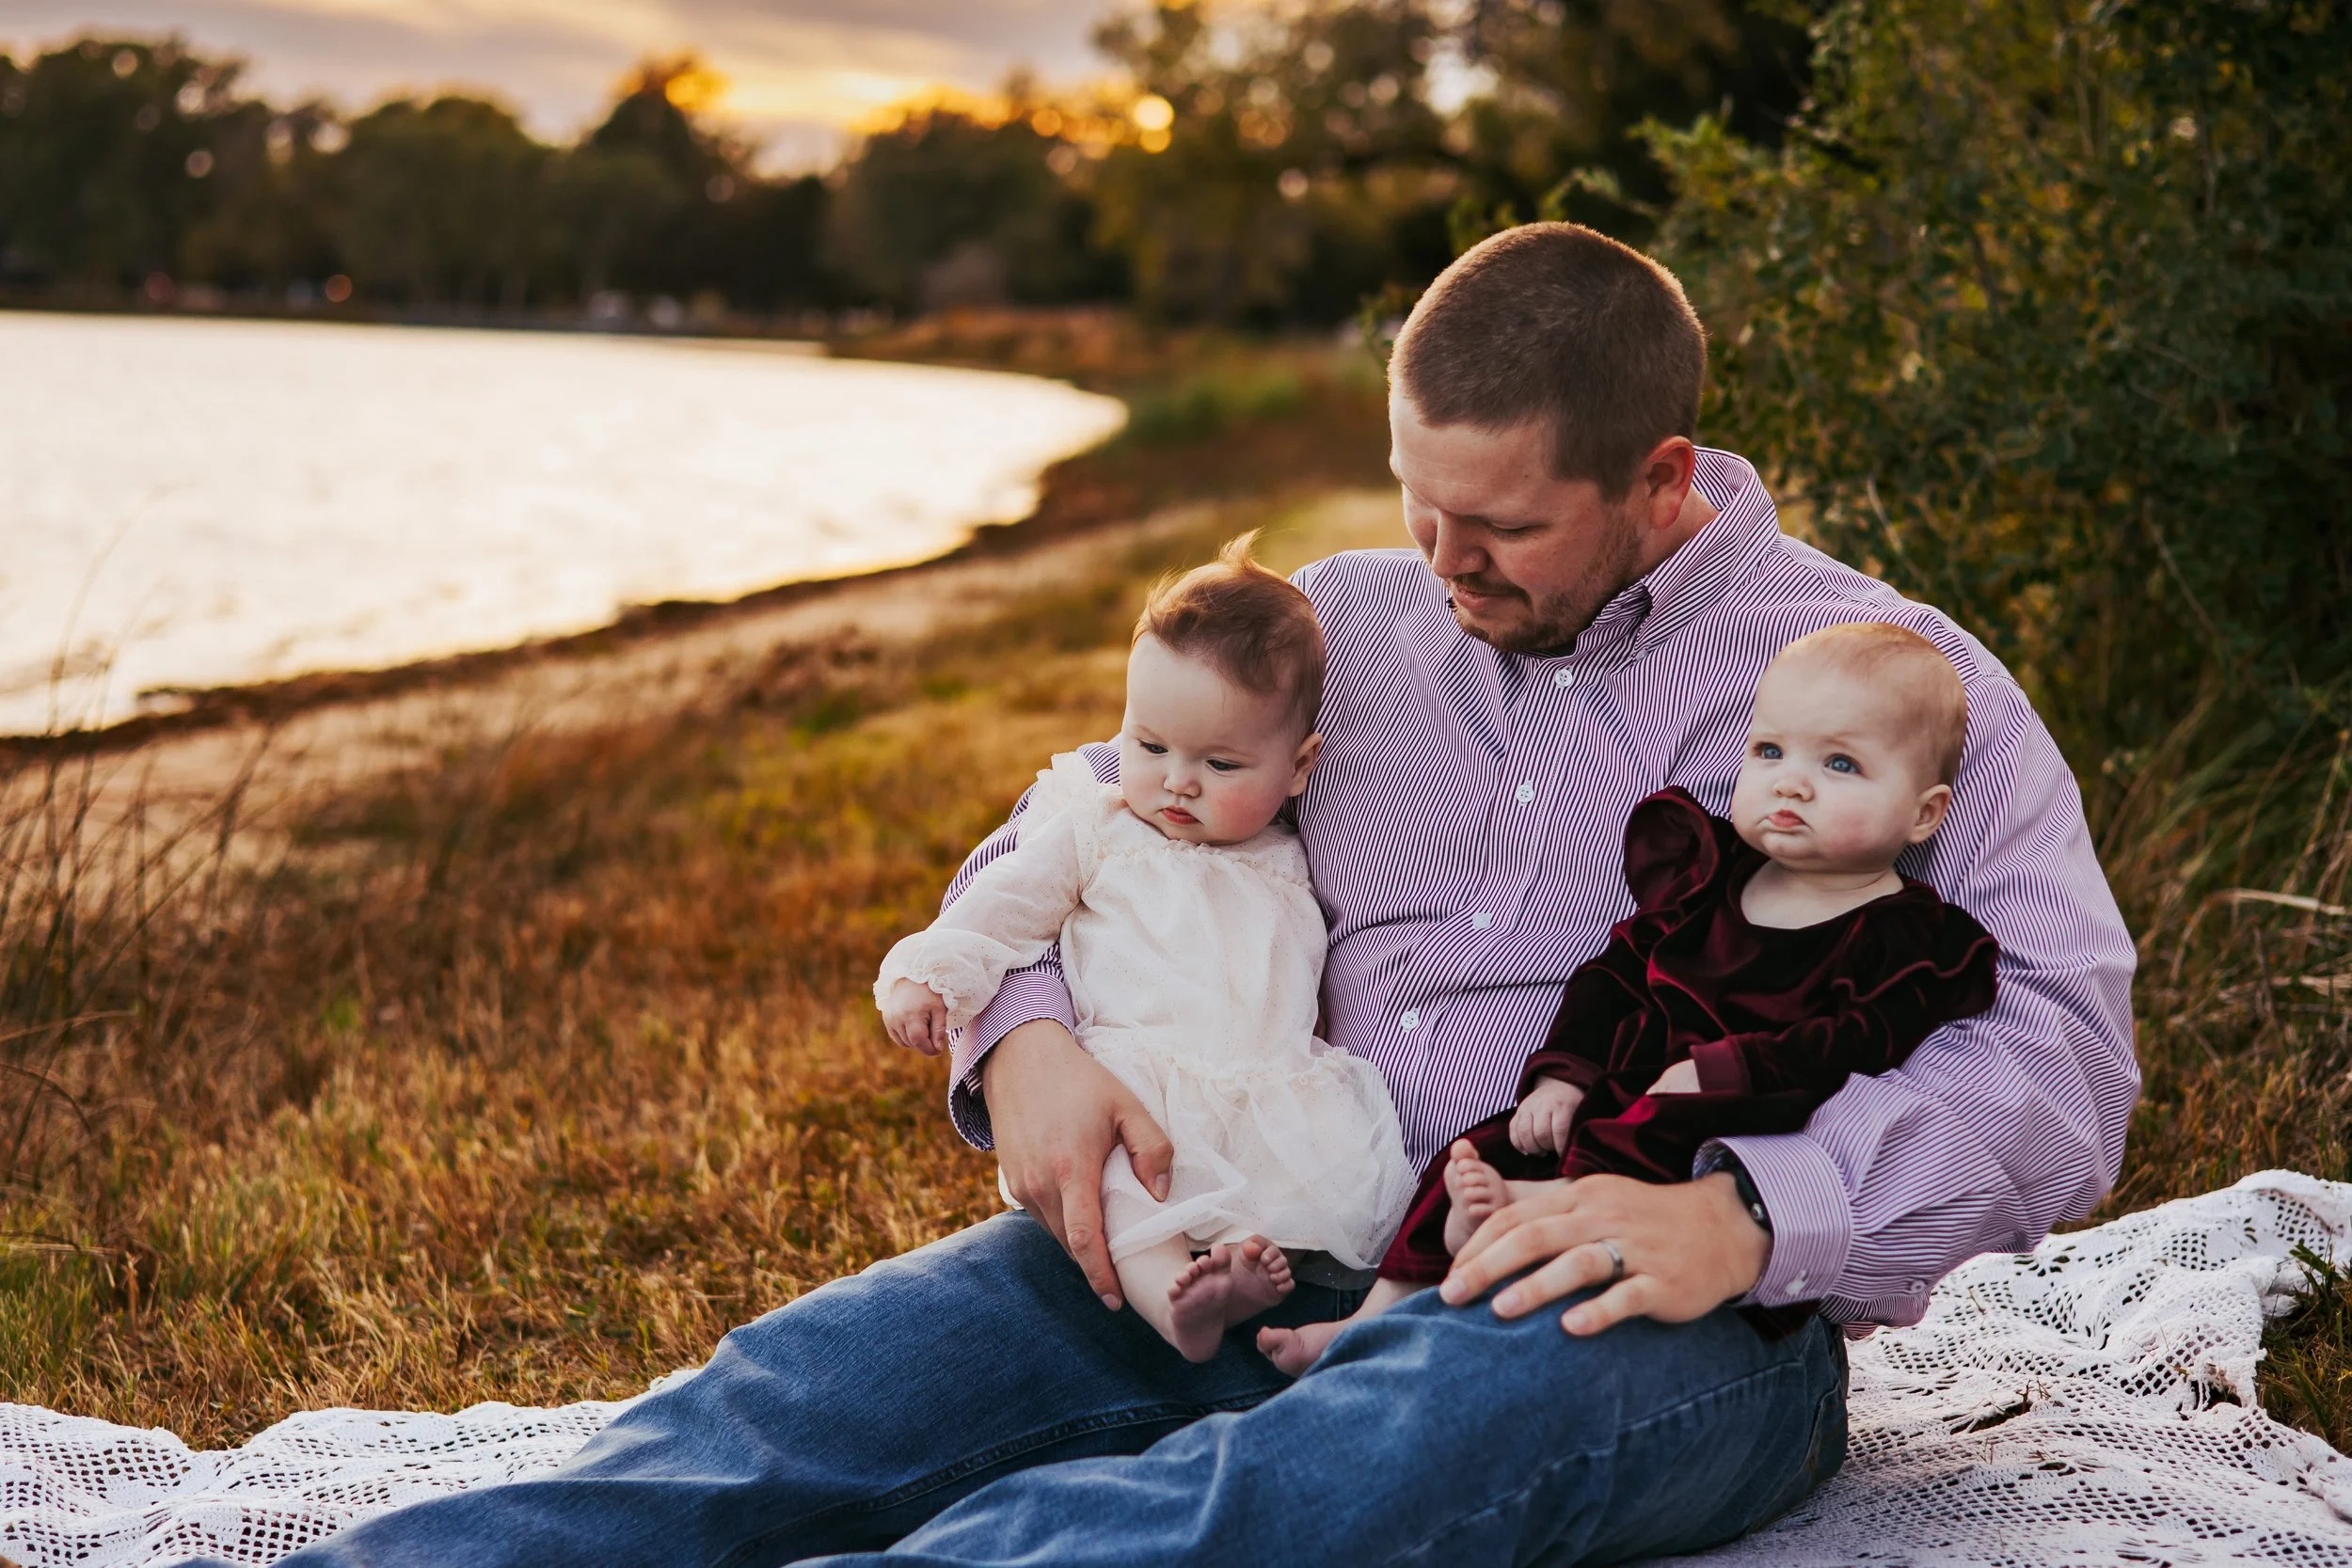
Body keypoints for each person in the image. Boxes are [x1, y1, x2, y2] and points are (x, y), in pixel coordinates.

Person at [194, 222, 2137, 1568]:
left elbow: (2060, 1044)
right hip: (1229, 1219)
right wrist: (1020, 1037)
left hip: (1632, 1296)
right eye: (1409, 496)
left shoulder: (1876, 675)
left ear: (1656, 478)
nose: (1433, 558)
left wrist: (1740, 1211)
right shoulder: (1346, 618)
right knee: (782, 1405)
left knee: (1287, 1491)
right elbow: (1084, 801)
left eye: (1499, 525)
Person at [1258, 622, 2002, 1376]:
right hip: (1618, 1091)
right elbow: (1614, 975)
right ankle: (1374, 1313)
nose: (1792, 782)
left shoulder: (1905, 938)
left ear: (1924, 813)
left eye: (1840, 763)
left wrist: (1732, 1069)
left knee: (1622, 1178)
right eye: (1770, 751)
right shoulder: (1711, 877)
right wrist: (1566, 1073)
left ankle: (1505, 1250)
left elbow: (1858, 1041)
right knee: (1490, 1143)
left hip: (1719, 1141)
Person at [873, 539, 1416, 1361]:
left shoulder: (1296, 854)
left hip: (1264, 1085)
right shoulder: (1098, 827)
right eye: (1150, 745)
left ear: (1299, 766)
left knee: (1310, 1185)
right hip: (1131, 1081)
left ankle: (1250, 1272)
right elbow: (1010, 898)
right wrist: (929, 971)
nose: (1176, 781)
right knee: (1120, 1182)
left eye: (1220, 762)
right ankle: (1178, 1305)